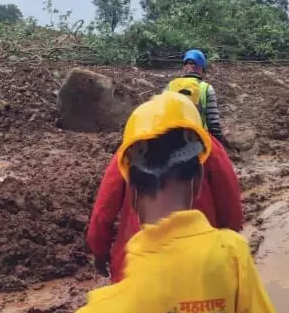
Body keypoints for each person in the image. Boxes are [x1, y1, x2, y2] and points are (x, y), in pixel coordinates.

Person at [57, 93, 289, 313]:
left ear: (134, 192)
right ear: (195, 182)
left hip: (131, 267)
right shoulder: (233, 259)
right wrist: (226, 235)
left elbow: (103, 208)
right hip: (205, 264)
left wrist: (98, 250)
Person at [88, 91, 243, 282]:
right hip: (200, 264)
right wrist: (228, 244)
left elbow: (104, 208)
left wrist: (99, 251)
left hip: (136, 268)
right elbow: (230, 201)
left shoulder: (131, 153)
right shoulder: (207, 148)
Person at [172, 49, 226, 145]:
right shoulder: (207, 88)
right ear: (201, 69)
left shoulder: (171, 86)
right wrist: (219, 143)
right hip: (198, 141)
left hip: (172, 140)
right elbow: (213, 122)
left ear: (184, 67)